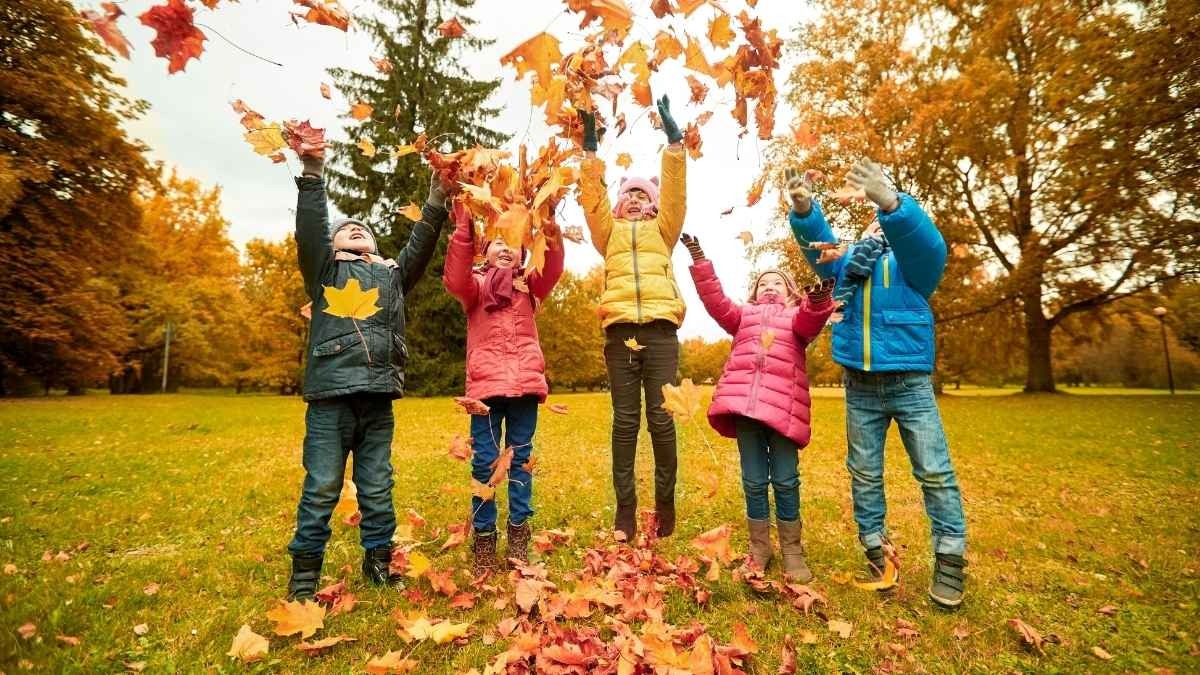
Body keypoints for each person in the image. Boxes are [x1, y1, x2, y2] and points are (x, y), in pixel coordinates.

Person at [786, 161, 968, 608]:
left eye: (882, 214)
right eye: (872, 214)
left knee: (934, 472)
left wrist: (890, 202)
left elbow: (927, 242)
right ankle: (875, 550)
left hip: (910, 384)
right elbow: (817, 248)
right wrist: (806, 209)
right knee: (865, 473)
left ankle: (949, 559)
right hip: (860, 386)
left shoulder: (916, 265)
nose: (875, 220)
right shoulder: (848, 263)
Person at [285, 147, 454, 601]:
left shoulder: (392, 277)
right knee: (322, 485)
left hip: (378, 396)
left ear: (376, 248)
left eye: (363, 230)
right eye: (345, 229)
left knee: (377, 484)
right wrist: (313, 174)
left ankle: (378, 563)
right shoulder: (324, 271)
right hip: (330, 398)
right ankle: (304, 577)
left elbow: (419, 247)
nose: (355, 228)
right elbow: (311, 231)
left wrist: (436, 199)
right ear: (334, 246)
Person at [682, 233, 835, 580]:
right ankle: (760, 548)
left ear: (791, 292)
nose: (770, 286)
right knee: (753, 481)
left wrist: (819, 300)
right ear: (753, 292)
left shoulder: (796, 317)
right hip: (746, 411)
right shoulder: (742, 316)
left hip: (783, 412)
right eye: (763, 282)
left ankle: (792, 551)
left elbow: (812, 320)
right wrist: (700, 260)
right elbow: (716, 301)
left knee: (785, 480)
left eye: (778, 282)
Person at [576, 95, 689, 541]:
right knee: (625, 421)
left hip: (661, 330)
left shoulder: (665, 231)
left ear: (654, 205)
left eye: (644, 197)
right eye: (630, 197)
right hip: (620, 331)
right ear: (620, 206)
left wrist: (674, 143)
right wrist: (590, 153)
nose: (637, 202)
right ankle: (626, 510)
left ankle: (664, 505)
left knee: (661, 420)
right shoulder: (609, 234)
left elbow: (676, 194)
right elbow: (592, 203)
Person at [442, 203, 564, 573]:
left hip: (525, 386)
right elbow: (455, 277)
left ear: (524, 251)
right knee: (485, 462)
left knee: (521, 461)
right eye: (497, 241)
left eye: (512, 241)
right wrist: (464, 224)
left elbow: (553, 266)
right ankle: (483, 539)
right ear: (485, 251)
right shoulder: (475, 288)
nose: (505, 247)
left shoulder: (530, 286)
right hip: (486, 389)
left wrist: (548, 226)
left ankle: (519, 537)